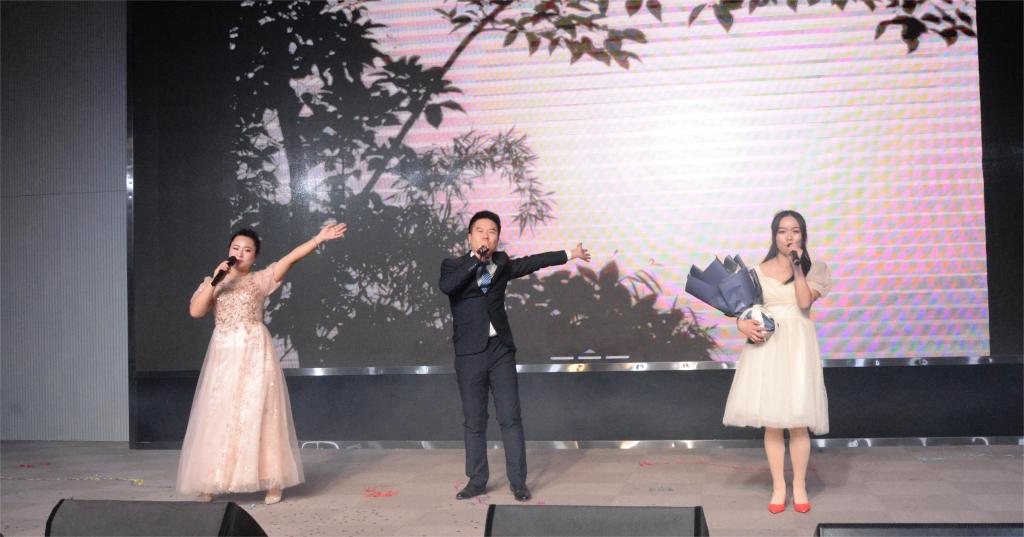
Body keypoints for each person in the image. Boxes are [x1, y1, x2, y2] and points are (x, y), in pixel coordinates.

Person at [177, 223, 347, 504]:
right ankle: (211, 478)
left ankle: (272, 481)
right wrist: (215, 280)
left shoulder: (260, 279)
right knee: (218, 411)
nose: (240, 253)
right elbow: (196, 311)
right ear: (228, 251)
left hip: (255, 352)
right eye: (235, 248)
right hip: (224, 354)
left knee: (261, 411)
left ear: (254, 257)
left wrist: (318, 238)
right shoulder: (214, 281)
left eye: (247, 250)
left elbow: (290, 259)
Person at [439, 210, 591, 502]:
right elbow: (448, 286)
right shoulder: (453, 265)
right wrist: (475, 261)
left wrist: (569, 254)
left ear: (497, 238)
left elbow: (532, 262)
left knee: (510, 417)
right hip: (469, 354)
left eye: (492, 231)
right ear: (470, 237)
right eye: (480, 231)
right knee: (474, 420)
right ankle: (477, 480)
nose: (486, 236)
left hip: (500, 350)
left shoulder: (502, 263)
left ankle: (518, 482)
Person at [722, 210, 833, 514]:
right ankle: (778, 486)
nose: (789, 237)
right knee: (772, 421)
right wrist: (742, 325)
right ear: (774, 236)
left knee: (798, 420)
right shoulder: (757, 272)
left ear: (803, 235)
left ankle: (799, 486)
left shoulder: (816, 268)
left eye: (795, 231)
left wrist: (798, 267)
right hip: (768, 346)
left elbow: (804, 302)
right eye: (782, 231)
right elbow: (744, 311)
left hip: (798, 345)